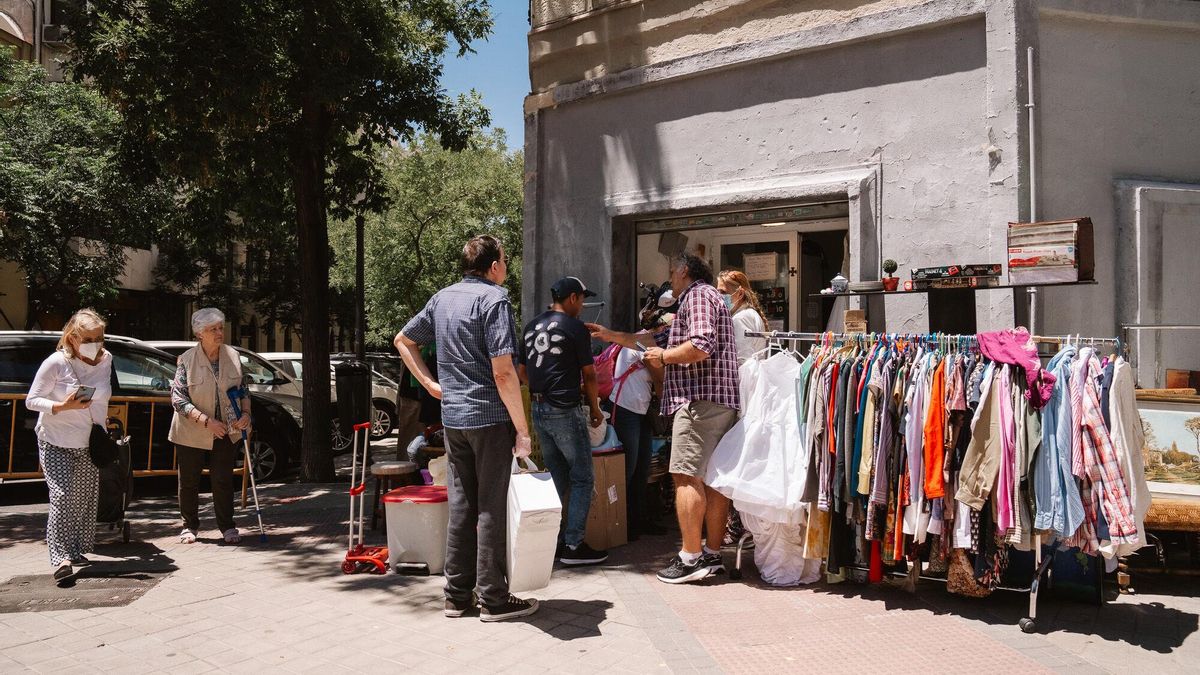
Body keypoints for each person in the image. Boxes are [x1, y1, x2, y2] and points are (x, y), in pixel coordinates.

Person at [394, 234, 539, 622]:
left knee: (462, 505)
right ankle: (493, 598)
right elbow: (503, 372)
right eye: (504, 261)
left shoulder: (442, 299)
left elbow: (403, 340)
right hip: (489, 419)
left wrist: (430, 384)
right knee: (490, 506)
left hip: (454, 419)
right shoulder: (494, 300)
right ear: (493, 266)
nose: (506, 267)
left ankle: (457, 596)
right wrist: (523, 430)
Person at [588, 252, 740, 584]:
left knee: (685, 475)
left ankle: (690, 558)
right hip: (719, 401)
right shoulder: (708, 298)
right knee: (713, 481)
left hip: (699, 402)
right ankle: (711, 554)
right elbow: (649, 339)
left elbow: (700, 345)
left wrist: (665, 357)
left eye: (672, 272)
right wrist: (610, 335)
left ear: (684, 271)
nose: (670, 279)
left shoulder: (697, 296)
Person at [518, 276, 608, 566]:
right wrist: (594, 408)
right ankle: (573, 545)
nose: (581, 305)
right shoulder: (575, 327)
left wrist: (543, 388)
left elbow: (522, 372)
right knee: (582, 477)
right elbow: (590, 374)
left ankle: (552, 540)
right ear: (572, 298)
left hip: (538, 408)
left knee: (556, 476)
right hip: (565, 409)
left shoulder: (531, 326)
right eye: (581, 299)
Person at [26, 308, 113, 583]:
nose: (95, 344)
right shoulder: (56, 362)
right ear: (73, 338)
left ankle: (75, 551)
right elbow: (31, 400)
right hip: (55, 439)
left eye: (99, 337)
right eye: (88, 339)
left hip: (89, 441)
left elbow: (103, 395)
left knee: (83, 499)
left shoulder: (106, 360)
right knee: (62, 496)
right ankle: (60, 557)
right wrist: (62, 406)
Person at [168, 308, 250, 545]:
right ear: (199, 334)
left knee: (223, 480)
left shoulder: (233, 356)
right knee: (189, 481)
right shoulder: (186, 360)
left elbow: (243, 389)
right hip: (191, 429)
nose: (219, 333)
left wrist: (246, 414)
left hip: (226, 428)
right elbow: (178, 399)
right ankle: (189, 526)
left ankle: (228, 526)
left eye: (220, 328)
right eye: (213, 329)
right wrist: (207, 421)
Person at [607, 332, 665, 540]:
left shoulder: (648, 342)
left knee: (642, 468)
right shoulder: (642, 342)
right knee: (628, 469)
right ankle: (621, 523)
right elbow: (660, 379)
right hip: (625, 408)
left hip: (641, 410)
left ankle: (638, 520)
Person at [717, 269, 768, 364]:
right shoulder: (748, 314)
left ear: (740, 294)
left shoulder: (740, 318)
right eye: (717, 292)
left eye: (723, 292)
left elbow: (741, 359)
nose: (719, 296)